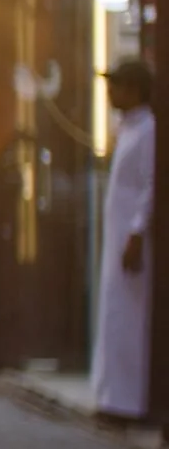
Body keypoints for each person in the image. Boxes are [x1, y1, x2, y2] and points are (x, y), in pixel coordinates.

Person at [91, 59, 154, 422]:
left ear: (135, 89)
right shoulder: (127, 129)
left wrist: (136, 233)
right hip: (118, 237)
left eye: (117, 86)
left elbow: (149, 186)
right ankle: (112, 396)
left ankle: (128, 401)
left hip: (131, 239)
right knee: (115, 315)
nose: (111, 92)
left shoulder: (148, 131)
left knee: (129, 317)